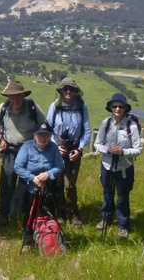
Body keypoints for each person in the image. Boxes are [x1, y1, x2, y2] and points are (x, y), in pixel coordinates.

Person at [0, 80, 46, 225]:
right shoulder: (3, 108)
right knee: (7, 182)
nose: (15, 100)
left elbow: (44, 126)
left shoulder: (32, 107)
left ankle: (24, 212)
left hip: (29, 151)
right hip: (10, 150)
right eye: (11, 97)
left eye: (18, 97)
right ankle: (5, 212)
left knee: (26, 182)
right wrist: (0, 139)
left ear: (23, 96)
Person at [93, 93, 142, 240]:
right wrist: (107, 149)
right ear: (110, 108)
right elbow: (97, 144)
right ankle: (105, 218)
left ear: (125, 108)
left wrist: (123, 152)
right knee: (107, 193)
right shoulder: (106, 123)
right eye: (114, 106)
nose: (117, 109)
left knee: (122, 197)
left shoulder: (131, 126)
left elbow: (138, 149)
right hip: (107, 165)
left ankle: (123, 225)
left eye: (121, 106)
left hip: (124, 167)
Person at [46, 77, 91, 227]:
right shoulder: (55, 106)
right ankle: (60, 211)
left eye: (71, 89)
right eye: (65, 89)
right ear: (60, 91)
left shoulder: (81, 106)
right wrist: (55, 147)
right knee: (58, 182)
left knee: (69, 184)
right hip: (58, 149)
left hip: (74, 149)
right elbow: (47, 130)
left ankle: (74, 212)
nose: (68, 92)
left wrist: (79, 149)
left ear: (75, 91)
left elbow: (87, 131)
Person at [14, 121, 64, 248]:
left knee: (49, 214)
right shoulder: (26, 146)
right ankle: (27, 241)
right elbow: (18, 167)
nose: (42, 138)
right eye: (40, 135)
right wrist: (33, 178)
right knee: (29, 215)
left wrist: (48, 174)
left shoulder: (53, 148)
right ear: (34, 135)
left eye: (46, 135)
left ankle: (49, 239)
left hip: (48, 187)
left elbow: (60, 166)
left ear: (49, 136)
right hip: (29, 187)